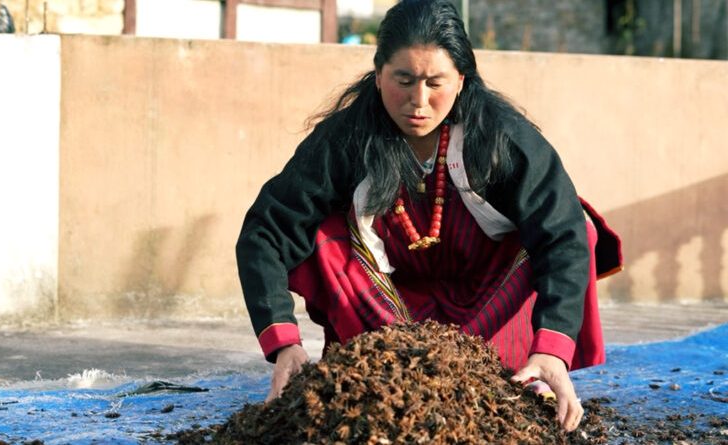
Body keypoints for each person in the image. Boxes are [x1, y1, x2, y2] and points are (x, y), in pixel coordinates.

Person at [236, 0, 622, 433]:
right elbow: (267, 230)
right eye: (403, 81)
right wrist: (283, 342)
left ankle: (525, 369)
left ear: (461, 80)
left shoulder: (504, 139)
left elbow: (561, 234)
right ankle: (373, 371)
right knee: (322, 234)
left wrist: (552, 349)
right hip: (384, 316)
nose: (418, 101)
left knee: (578, 227)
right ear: (378, 74)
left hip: (491, 304)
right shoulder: (346, 140)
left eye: (435, 83)